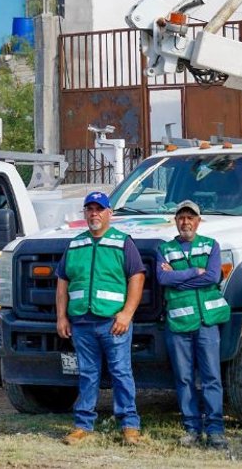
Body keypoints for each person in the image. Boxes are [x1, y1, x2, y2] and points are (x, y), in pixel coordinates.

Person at [56, 191, 146, 446]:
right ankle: (83, 425)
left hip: (112, 323)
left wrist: (127, 314)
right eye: (90, 209)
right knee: (87, 373)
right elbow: (62, 282)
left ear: (110, 213)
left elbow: (137, 277)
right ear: (85, 213)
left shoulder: (122, 242)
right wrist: (61, 317)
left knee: (121, 372)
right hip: (81, 323)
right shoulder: (75, 244)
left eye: (99, 209)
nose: (94, 213)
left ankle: (129, 425)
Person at [158, 200, 229, 449]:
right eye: (181, 217)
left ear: (199, 221)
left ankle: (216, 430)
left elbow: (212, 276)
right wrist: (192, 273)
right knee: (184, 378)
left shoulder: (211, 245)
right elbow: (162, 277)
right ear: (176, 221)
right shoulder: (164, 248)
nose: (186, 221)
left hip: (206, 323)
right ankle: (191, 429)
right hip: (178, 324)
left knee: (211, 377)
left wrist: (178, 280)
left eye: (191, 217)